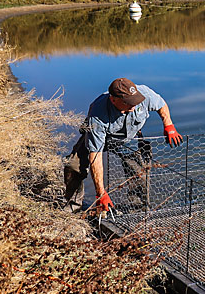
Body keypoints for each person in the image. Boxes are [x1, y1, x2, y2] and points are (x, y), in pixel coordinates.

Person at [63, 77, 183, 212]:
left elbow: (161, 104)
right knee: (73, 166)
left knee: (138, 171)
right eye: (128, 102)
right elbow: (95, 155)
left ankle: (138, 210)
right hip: (102, 137)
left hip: (129, 137)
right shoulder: (97, 114)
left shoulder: (143, 94)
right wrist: (100, 192)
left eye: (135, 101)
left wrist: (169, 125)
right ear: (113, 100)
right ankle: (74, 208)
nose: (134, 105)